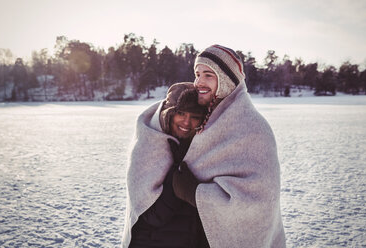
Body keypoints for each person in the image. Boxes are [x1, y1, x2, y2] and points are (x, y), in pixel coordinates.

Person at [170, 44, 287, 247]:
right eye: (197, 74)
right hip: (195, 234)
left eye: (208, 75)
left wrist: (194, 193)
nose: (198, 82)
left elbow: (259, 201)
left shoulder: (252, 126)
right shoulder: (207, 116)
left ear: (226, 80)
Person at [122, 82, 209, 248]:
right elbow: (152, 215)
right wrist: (176, 179)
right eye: (181, 113)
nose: (186, 122)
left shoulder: (201, 149)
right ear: (169, 114)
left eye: (195, 116)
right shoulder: (148, 146)